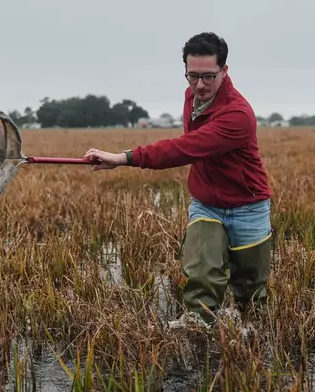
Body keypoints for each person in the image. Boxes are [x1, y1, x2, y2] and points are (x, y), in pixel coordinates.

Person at [83, 32, 273, 326]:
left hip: (248, 206)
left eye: (208, 76)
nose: (199, 85)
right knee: (201, 272)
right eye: (192, 76)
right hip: (206, 203)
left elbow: (186, 148)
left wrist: (123, 158)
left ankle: (252, 344)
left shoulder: (238, 114)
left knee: (251, 294)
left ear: (224, 71)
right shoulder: (192, 96)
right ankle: (197, 334)